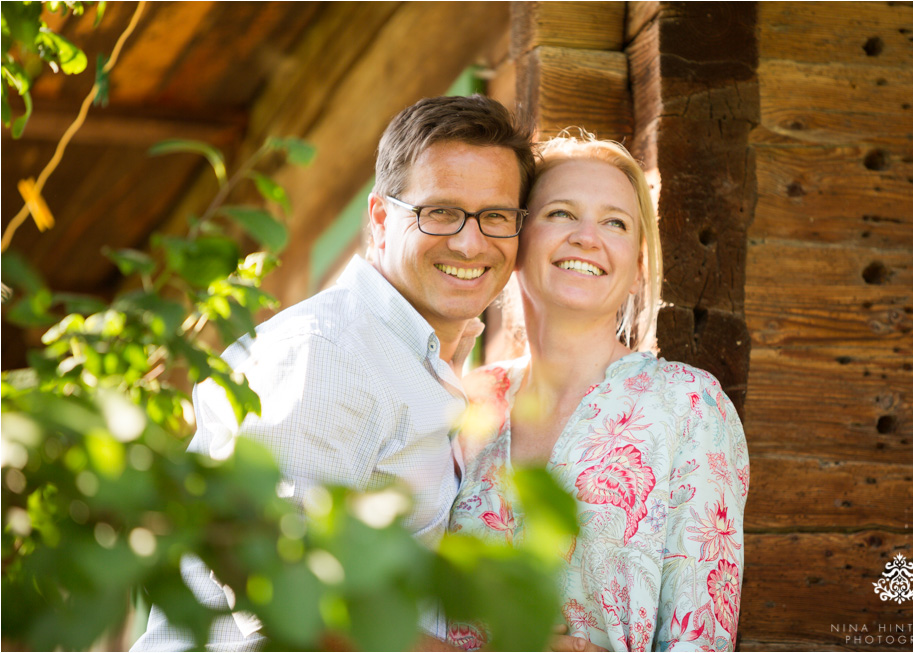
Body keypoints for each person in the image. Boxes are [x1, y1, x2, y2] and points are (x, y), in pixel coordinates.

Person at [132, 94, 534, 651]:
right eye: (440, 211)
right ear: (379, 219)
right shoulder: (328, 354)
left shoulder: (421, 363)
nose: (470, 241)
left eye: (495, 216)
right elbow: (281, 598)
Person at [447, 134, 749, 652]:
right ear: (518, 243)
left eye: (615, 222)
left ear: (636, 269)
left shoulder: (688, 405)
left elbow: (700, 637)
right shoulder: (466, 401)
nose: (588, 237)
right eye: (562, 213)